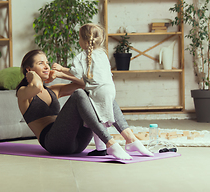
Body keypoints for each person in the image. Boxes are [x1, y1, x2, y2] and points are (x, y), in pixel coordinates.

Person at [16, 49, 153, 160]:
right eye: (41, 63)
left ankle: (130, 138)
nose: (47, 66)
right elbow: (37, 86)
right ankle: (110, 143)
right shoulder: (23, 94)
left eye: (47, 62)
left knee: (100, 92)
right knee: (79, 95)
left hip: (78, 142)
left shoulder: (53, 91)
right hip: (54, 143)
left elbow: (87, 84)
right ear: (29, 69)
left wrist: (61, 74)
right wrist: (32, 76)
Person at [52, 23, 115, 156]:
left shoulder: (81, 56)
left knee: (96, 120)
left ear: (85, 41)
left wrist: (61, 71)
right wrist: (63, 69)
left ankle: (103, 148)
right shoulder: (102, 54)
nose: (78, 41)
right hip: (110, 89)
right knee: (102, 119)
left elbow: (76, 74)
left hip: (96, 91)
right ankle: (103, 147)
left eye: (79, 38)